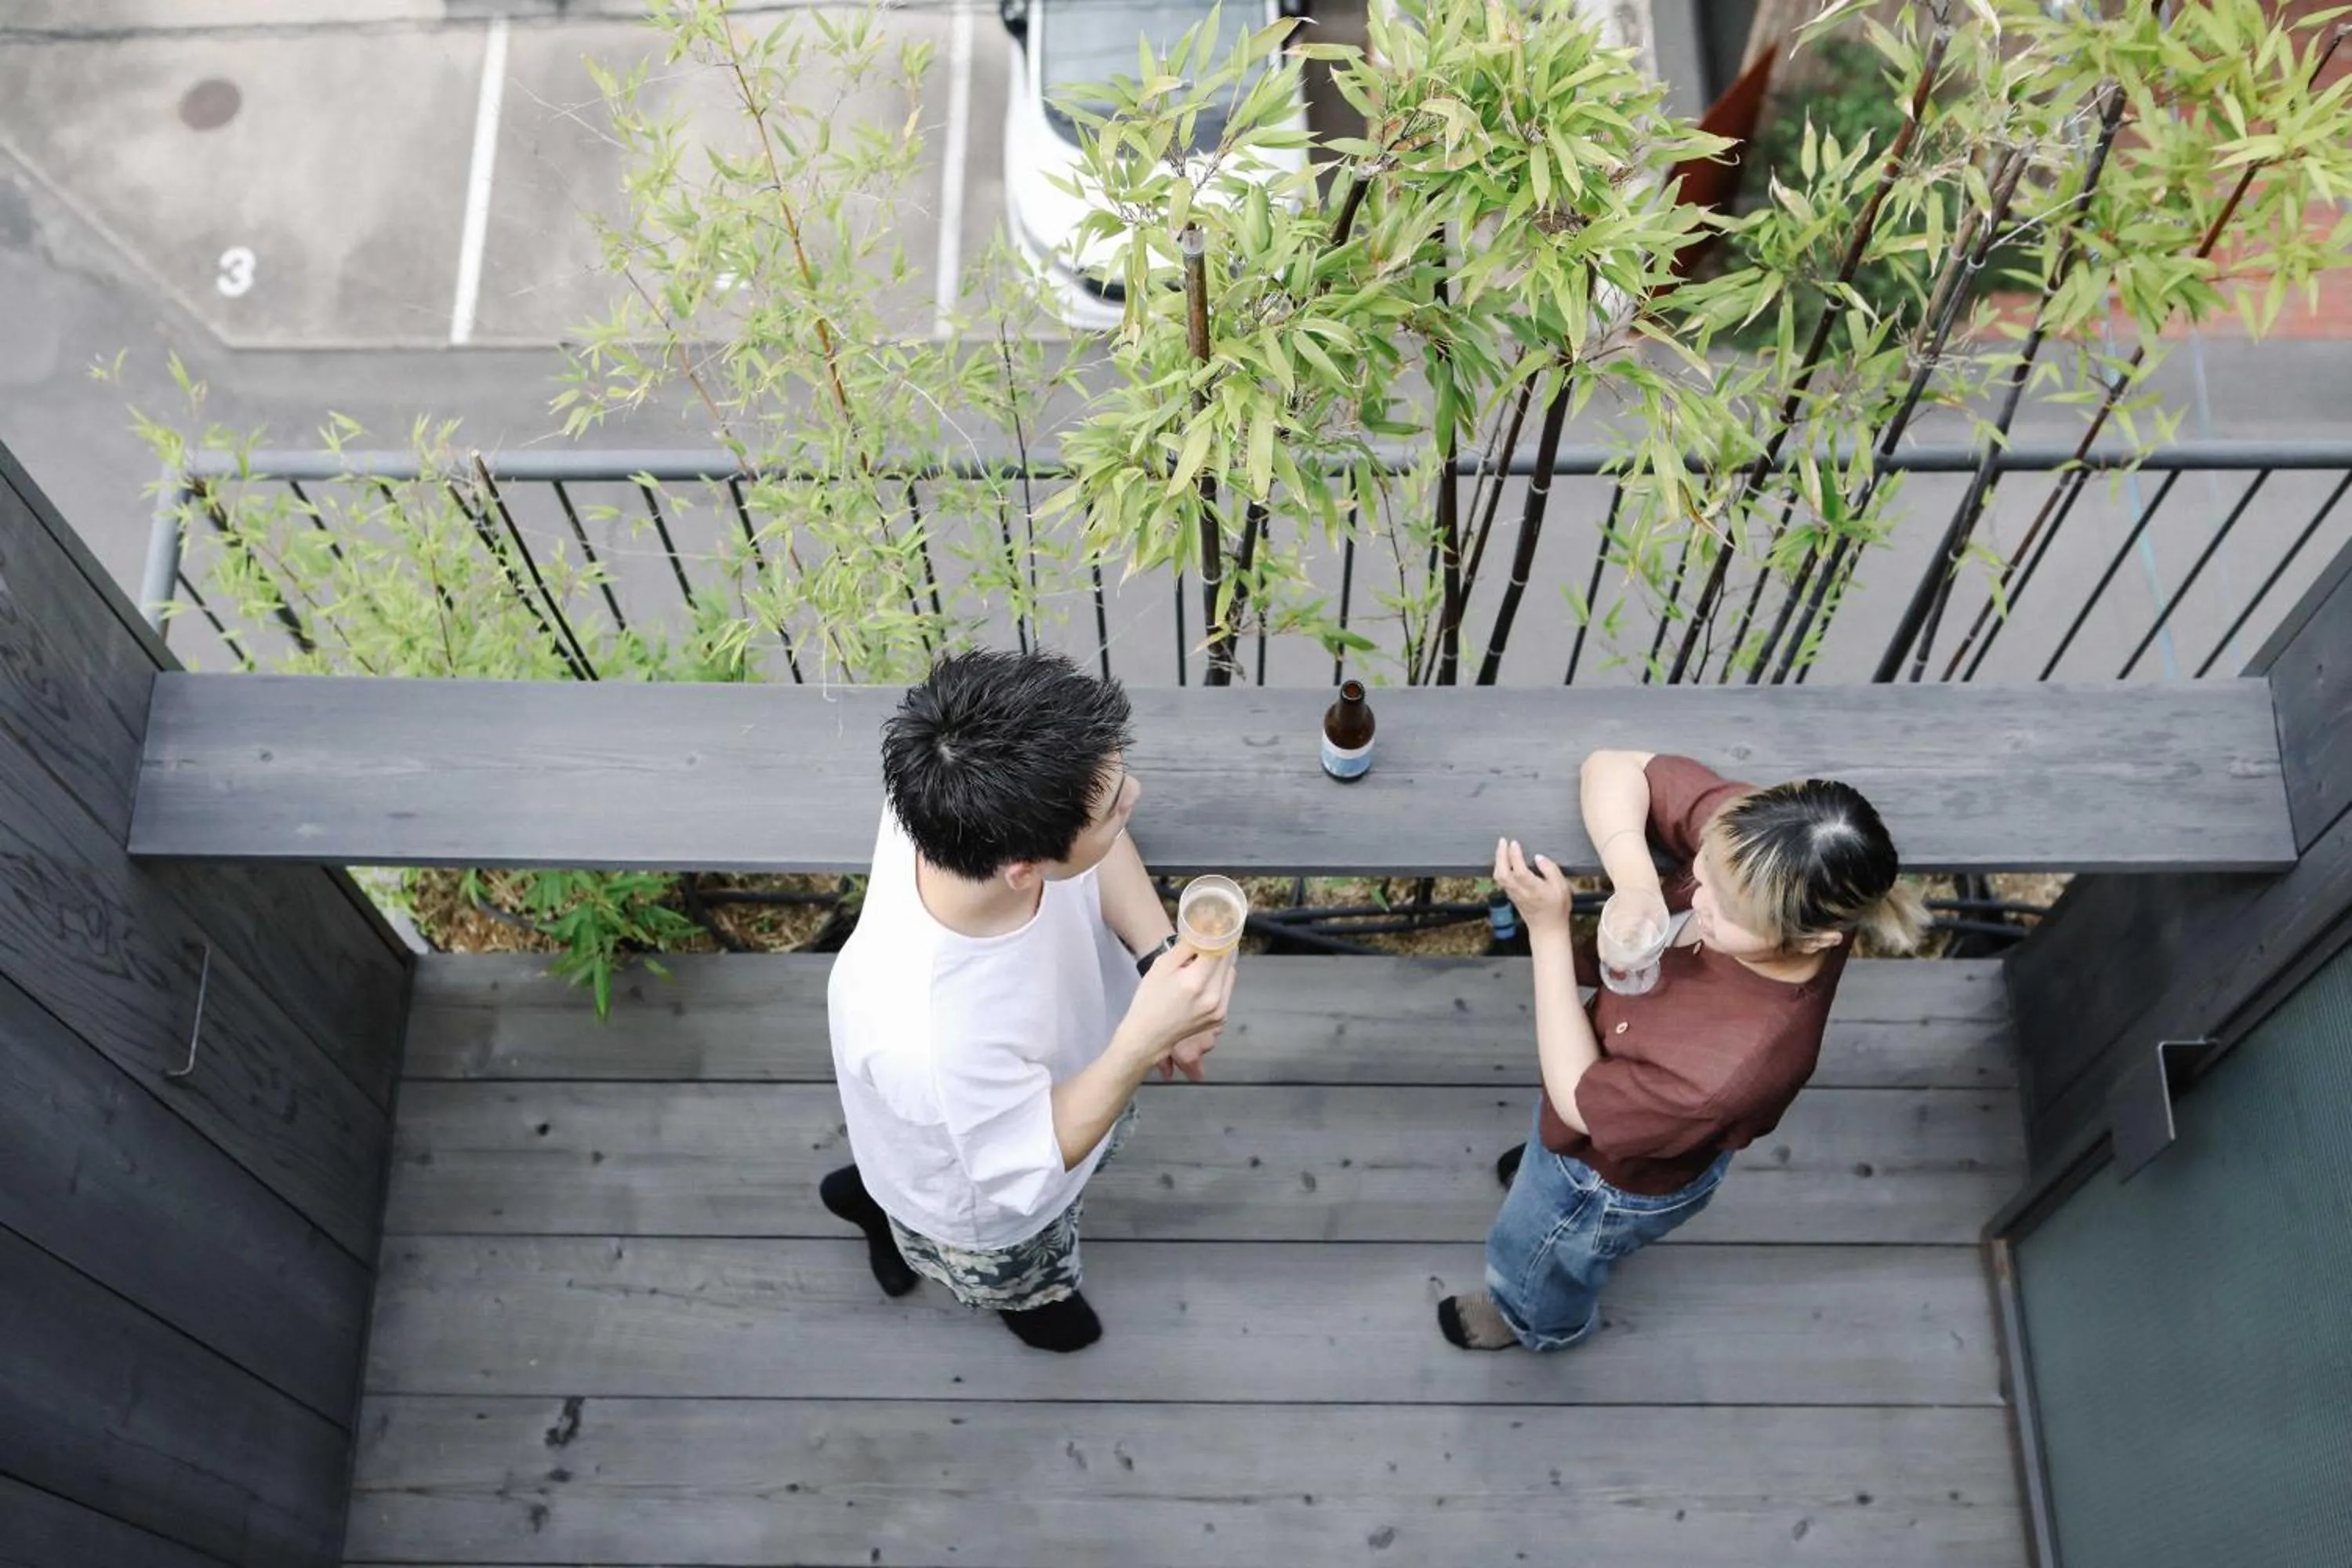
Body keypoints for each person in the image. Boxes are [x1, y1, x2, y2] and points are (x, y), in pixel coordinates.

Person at [1438, 750, 1928, 1352]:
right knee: (1549, 1171)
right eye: (1704, 873)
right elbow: (1612, 767)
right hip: (1631, 1115)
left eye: (1726, 910)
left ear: (1818, 937)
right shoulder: (1773, 857)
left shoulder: (1727, 1071)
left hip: (1610, 1181)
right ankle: (1545, 1171)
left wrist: (1547, 932)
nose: (1699, 901)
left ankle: (1533, 1320)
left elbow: (1576, 1103)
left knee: (1541, 1249)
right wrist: (1639, 884)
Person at [821, 648, 1236, 1354]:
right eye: (1110, 805)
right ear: (1024, 869)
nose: (1132, 795)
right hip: (986, 1198)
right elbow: (1029, 1159)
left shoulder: (946, 796)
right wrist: (1144, 1035)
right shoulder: (928, 1036)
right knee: (1024, 1281)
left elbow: (1101, 851)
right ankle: (1017, 1295)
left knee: (918, 1142)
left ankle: (870, 1189)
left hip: (980, 1106)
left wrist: (1158, 956)